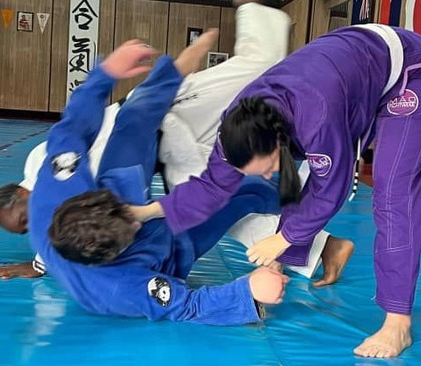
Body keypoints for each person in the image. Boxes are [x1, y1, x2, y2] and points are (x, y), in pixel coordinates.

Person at [130, 24, 421, 357]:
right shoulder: (234, 131)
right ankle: (283, 264)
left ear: (280, 142)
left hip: (413, 73)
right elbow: (211, 186)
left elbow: (331, 186)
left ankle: (398, 323)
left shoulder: (318, 114)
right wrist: (148, 211)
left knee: (392, 194)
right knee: (282, 181)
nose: (267, 172)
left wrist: (281, 239)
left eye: (269, 162)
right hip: (351, 70)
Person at [0, 0, 353, 282]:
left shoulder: (44, 166)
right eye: (25, 229)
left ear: (21, 193)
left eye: (23, 218)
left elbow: (83, 126)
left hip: (162, 117)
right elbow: (70, 233)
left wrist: (130, 74)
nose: (33, 224)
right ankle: (320, 245)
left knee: (258, 68)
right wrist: (37, 263)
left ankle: (257, 7)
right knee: (210, 203)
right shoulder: (53, 209)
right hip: (164, 149)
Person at [26, 30, 290, 325]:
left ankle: (173, 74)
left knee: (135, 116)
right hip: (169, 249)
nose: (140, 218)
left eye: (129, 217)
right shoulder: (118, 288)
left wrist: (104, 75)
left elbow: (70, 131)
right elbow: (186, 306)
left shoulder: (57, 191)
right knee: (240, 191)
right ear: (112, 254)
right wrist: (248, 291)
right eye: (132, 228)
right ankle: (291, 193)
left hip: (115, 188)